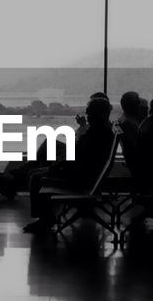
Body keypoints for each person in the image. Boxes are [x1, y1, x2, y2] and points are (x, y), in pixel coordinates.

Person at [24, 96, 116, 234]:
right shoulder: (102, 133)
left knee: (36, 177)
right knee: (35, 173)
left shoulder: (96, 135)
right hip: (83, 176)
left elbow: (78, 159)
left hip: (79, 180)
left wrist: (57, 167)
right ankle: (46, 218)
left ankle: (45, 220)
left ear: (98, 114)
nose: (87, 115)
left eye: (89, 112)